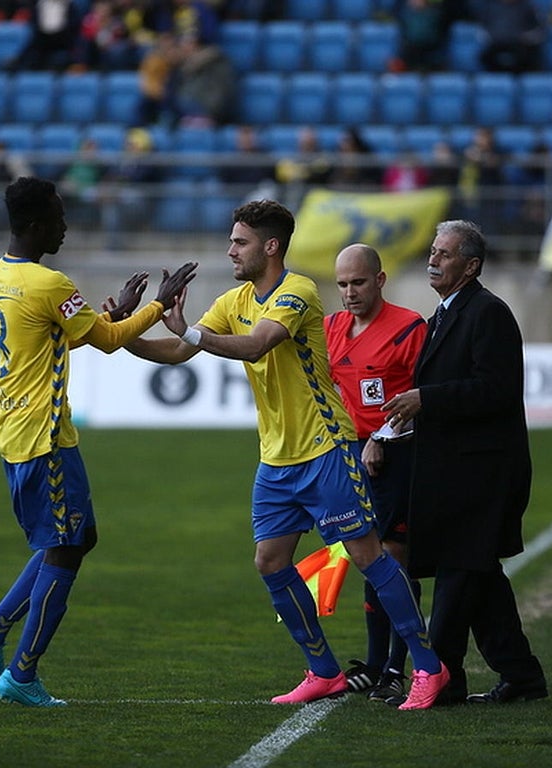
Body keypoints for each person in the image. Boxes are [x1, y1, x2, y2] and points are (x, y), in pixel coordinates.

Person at [124, 200, 448, 710]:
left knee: (369, 557)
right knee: (271, 561)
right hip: (277, 459)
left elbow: (257, 346)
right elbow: (178, 352)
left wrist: (185, 329)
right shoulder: (234, 300)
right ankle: (323, 670)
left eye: (240, 242)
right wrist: (119, 336)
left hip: (326, 448)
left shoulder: (297, 292)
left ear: (270, 247)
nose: (231, 249)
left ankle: (430, 668)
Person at [0, 176, 197, 707]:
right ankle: (21, 673)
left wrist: (112, 314)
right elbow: (108, 343)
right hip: (46, 438)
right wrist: (157, 306)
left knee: (73, 538)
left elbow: (67, 334)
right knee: (66, 549)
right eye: (61, 218)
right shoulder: (50, 283)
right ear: (39, 225)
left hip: (15, 431)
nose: (66, 227)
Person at [380, 220, 547, 705]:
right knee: (480, 579)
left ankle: (441, 678)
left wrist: (425, 400)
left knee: (458, 574)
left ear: (471, 266)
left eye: (444, 253)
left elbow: (495, 390)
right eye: (432, 250)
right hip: (457, 471)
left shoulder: (488, 313)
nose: (433, 259)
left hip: (483, 474)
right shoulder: (447, 313)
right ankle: (523, 676)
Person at [324, 243, 427, 704]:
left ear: (380, 280)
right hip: (353, 458)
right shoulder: (330, 329)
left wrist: (381, 437)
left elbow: (424, 397)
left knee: (393, 559)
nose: (349, 293)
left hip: (401, 456)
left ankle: (397, 669)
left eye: (358, 283)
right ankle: (373, 662)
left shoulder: (409, 329)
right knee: (369, 562)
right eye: (343, 284)